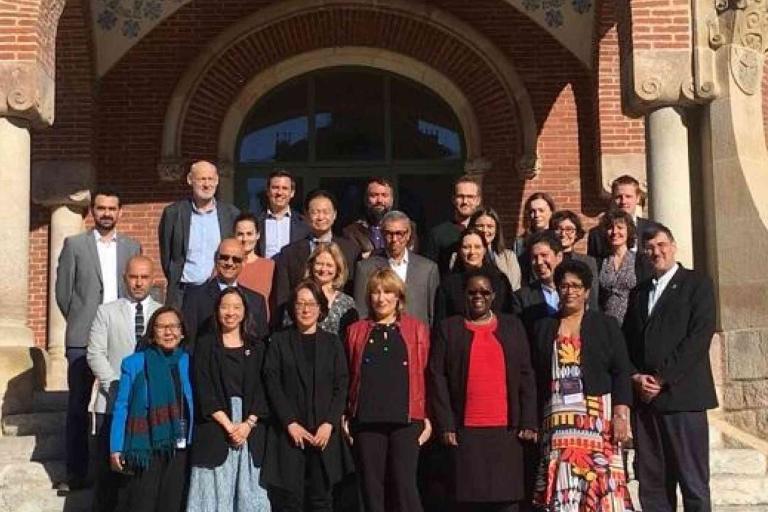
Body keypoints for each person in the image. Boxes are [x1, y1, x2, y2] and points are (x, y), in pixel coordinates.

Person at [622, 223, 717, 512]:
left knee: (693, 485)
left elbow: (698, 337)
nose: (656, 252)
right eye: (649, 248)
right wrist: (635, 376)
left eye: (661, 245)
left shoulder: (697, 284)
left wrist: (662, 379)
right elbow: (626, 343)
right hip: (647, 404)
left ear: (673, 246)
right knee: (652, 486)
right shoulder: (638, 293)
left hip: (683, 399)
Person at [530, 259, 634, 511]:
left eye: (576, 286)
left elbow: (621, 371)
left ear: (587, 291)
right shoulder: (543, 327)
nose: (570, 291)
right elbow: (534, 374)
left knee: (601, 482)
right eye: (564, 286)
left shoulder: (605, 325)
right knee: (565, 488)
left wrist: (621, 415)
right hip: (557, 419)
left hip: (597, 416)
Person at [55, 188, 141, 492]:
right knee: (78, 404)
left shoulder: (132, 247)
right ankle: (76, 472)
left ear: (120, 212)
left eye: (112, 208)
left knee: (123, 401)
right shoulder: (75, 245)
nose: (106, 213)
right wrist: (81, 320)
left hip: (120, 337)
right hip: (82, 337)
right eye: (101, 208)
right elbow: (63, 293)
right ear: (92, 211)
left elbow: (136, 288)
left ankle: (117, 466)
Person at [429, 271, 537, 512]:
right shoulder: (449, 329)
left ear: (494, 297)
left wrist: (529, 420)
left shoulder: (512, 326)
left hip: (506, 433)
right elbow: (438, 378)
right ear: (464, 295)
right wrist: (446, 424)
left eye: (485, 292)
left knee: (507, 501)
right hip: (466, 433)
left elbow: (526, 375)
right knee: (469, 502)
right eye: (473, 292)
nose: (479, 296)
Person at [345, 268, 432, 512]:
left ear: (398, 297)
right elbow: (349, 374)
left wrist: (428, 416)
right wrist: (347, 413)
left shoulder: (417, 330)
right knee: (371, 489)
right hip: (366, 420)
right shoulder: (355, 331)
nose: (381, 298)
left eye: (387, 292)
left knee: (405, 486)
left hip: (406, 420)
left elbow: (427, 374)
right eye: (375, 292)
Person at [262, 280, 353, 512]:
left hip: (323, 436)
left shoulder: (332, 343)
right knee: (290, 502)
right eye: (300, 303)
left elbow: (341, 385)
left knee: (321, 500)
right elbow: (272, 383)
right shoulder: (279, 341)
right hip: (290, 435)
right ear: (292, 308)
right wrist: (290, 423)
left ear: (321, 308)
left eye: (311, 304)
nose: (305, 309)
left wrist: (329, 424)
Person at [87, 255, 162, 511]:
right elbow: (95, 353)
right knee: (108, 480)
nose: (138, 283)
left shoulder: (163, 313)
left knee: (141, 483)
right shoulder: (106, 311)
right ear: (124, 279)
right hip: (111, 404)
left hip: (150, 409)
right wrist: (117, 387)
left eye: (144, 277)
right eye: (133, 277)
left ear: (153, 280)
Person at [187, 287, 271, 511]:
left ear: (245, 311)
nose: (230, 312)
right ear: (216, 311)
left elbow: (265, 388)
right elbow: (203, 388)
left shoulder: (258, 347)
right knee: (213, 499)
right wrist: (228, 425)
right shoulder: (205, 345)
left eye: (236, 307)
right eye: (225, 307)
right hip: (216, 428)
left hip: (250, 431)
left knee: (251, 497)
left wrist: (247, 425)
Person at [110, 306, 194, 512]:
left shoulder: (188, 362)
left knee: (173, 504)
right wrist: (115, 448)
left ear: (182, 332)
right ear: (152, 333)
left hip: (181, 446)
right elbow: (122, 407)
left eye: (174, 326)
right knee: (143, 503)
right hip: (146, 447)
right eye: (162, 327)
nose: (168, 332)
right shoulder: (134, 363)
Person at [158, 160, 240, 307]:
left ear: (217, 181)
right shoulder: (173, 213)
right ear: (190, 180)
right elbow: (167, 256)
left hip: (218, 292)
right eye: (202, 179)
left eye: (211, 179)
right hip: (183, 293)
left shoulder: (231, 214)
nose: (207, 184)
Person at [273, 189, 360, 318]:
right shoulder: (289, 253)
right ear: (306, 216)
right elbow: (283, 296)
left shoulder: (351, 250)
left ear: (334, 215)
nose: (320, 217)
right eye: (315, 212)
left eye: (326, 212)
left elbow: (353, 290)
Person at [354, 211, 440, 325]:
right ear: (382, 234)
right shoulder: (365, 268)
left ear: (408, 234)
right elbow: (361, 313)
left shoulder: (428, 269)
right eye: (389, 234)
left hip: (416, 338)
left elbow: (432, 315)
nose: (394, 239)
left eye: (399, 233)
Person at [181, 238, 268, 350]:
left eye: (236, 259)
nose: (229, 263)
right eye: (224, 257)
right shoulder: (194, 297)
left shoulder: (256, 300)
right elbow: (189, 342)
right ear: (215, 258)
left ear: (244, 262)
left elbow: (261, 344)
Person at [435, 228, 512, 324]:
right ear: (459, 250)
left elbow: (509, 317)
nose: (472, 252)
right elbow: (441, 321)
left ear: (484, 250)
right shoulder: (448, 285)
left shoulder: (500, 281)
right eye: (466, 247)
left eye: (477, 247)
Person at [285, 242, 358, 337]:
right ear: (311, 265)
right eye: (319, 264)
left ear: (338, 268)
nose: (323, 269)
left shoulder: (347, 302)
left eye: (329, 265)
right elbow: (287, 327)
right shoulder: (298, 296)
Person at [597, 209, 651, 323]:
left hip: (633, 323)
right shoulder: (601, 262)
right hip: (607, 323)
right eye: (610, 227)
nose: (614, 232)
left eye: (620, 227)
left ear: (629, 231)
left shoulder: (641, 260)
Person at [343, 177, 417, 258]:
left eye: (384, 195)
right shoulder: (352, 231)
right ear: (366, 199)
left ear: (392, 200)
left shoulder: (409, 227)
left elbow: (410, 257)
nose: (379, 200)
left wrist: (370, 254)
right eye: (374, 195)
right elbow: (354, 260)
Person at [423, 175, 482, 275]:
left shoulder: (486, 231)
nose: (465, 201)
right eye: (461, 196)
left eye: (470, 197)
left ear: (478, 200)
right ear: (453, 199)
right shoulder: (437, 234)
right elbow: (429, 274)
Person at [587, 175, 652, 260]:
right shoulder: (596, 234)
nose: (623, 201)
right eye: (618, 197)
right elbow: (593, 268)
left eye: (628, 196)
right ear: (612, 198)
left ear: (638, 198)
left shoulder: (652, 229)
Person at [512, 231, 564, 336]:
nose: (539, 262)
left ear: (559, 257)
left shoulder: (574, 292)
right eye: (534, 257)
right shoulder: (522, 297)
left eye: (544, 255)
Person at [549, 210, 599, 310]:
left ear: (576, 234)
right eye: (558, 229)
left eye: (569, 229)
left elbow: (592, 297)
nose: (563, 234)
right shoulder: (546, 259)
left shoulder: (588, 261)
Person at [256, 170, 310, 259]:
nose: (279, 193)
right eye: (275, 187)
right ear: (268, 191)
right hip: (264, 272)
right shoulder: (256, 222)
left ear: (292, 193)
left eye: (285, 188)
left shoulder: (304, 224)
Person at [466, 208, 522, 290]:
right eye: (480, 226)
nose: (485, 230)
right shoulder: (460, 256)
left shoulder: (509, 257)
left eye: (490, 226)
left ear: (496, 230)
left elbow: (514, 288)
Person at [233, 212, 275, 320]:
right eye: (240, 234)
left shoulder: (269, 266)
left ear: (258, 235)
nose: (245, 239)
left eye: (249, 234)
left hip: (260, 326)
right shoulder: (226, 266)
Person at [513, 192, 556, 283]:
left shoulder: (558, 239)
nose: (536, 215)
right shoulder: (520, 243)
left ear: (551, 212)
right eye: (532, 211)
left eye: (541, 210)